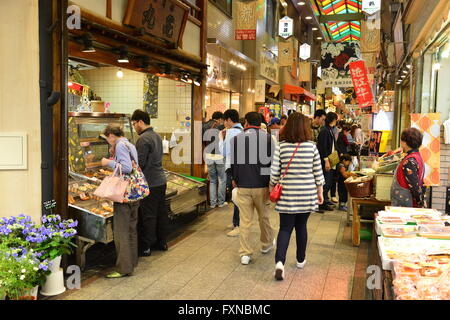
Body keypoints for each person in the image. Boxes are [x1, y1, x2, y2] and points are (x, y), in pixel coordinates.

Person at [270, 112, 325, 281]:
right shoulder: (311, 146)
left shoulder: (281, 146)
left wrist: (272, 187)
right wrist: (320, 192)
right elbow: (318, 172)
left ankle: (280, 263)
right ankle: (300, 259)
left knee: (285, 228)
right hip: (307, 193)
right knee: (302, 226)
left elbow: (274, 173)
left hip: (287, 194)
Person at [230, 112, 276, 265]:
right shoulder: (268, 138)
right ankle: (266, 244)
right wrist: (270, 181)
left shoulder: (237, 139)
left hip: (243, 185)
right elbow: (272, 163)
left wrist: (235, 179)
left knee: (245, 220)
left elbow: (234, 163)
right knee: (264, 217)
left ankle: (245, 253)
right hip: (262, 186)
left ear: (247, 123)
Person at [101, 124, 140, 278]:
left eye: (107, 138)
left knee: (121, 232)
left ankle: (123, 268)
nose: (108, 141)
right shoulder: (129, 143)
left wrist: (107, 162)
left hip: (123, 194)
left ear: (111, 135)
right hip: (134, 192)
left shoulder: (120, 146)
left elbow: (127, 168)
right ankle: (132, 262)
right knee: (131, 229)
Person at [131, 110, 168, 257]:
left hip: (149, 182)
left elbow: (139, 164)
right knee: (160, 213)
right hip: (160, 180)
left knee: (148, 216)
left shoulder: (143, 139)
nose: (134, 127)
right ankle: (162, 242)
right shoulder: (156, 136)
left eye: (134, 124)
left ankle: (146, 246)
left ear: (140, 122)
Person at [219, 109, 244, 237]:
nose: (224, 123)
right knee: (237, 195)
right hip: (241, 167)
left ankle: (238, 224)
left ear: (229, 120)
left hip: (232, 168)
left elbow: (224, 152)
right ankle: (236, 222)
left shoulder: (230, 132)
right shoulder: (242, 130)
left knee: (236, 196)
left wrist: (220, 138)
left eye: (224, 120)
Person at [390, 128, 426, 208]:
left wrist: (420, 202)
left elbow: (414, 186)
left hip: (406, 205)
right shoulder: (417, 156)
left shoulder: (409, 161)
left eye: (401, 140)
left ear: (405, 143)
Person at [203, 111, 227, 208]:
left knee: (212, 180)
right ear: (220, 119)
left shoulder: (204, 125)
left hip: (209, 155)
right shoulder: (221, 127)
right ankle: (221, 202)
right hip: (219, 155)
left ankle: (213, 203)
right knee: (221, 179)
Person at [317, 112, 339, 211]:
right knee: (325, 182)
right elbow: (323, 147)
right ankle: (320, 203)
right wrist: (326, 160)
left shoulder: (330, 129)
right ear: (332, 119)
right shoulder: (324, 131)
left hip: (331, 159)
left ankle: (325, 200)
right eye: (335, 119)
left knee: (329, 181)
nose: (336, 121)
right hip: (326, 160)